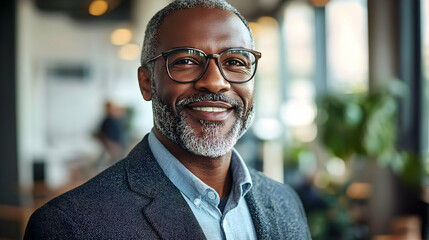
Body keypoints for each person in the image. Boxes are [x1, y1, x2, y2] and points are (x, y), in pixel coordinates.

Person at [24, 0, 311, 239]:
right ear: (147, 83)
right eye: (186, 61)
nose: (215, 82)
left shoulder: (285, 202)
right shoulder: (69, 226)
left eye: (235, 62)